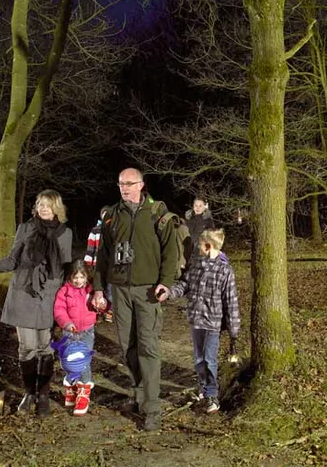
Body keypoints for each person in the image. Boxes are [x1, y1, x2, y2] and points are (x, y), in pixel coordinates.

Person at [0, 189, 73, 417]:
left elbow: (65, 271)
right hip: (23, 293)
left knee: (45, 347)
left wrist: (69, 301)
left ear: (56, 208)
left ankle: (43, 394)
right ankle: (29, 393)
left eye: (48, 204)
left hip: (48, 295)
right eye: (39, 204)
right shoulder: (25, 229)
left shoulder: (65, 233)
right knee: (27, 348)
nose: (43, 208)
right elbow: (12, 260)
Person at [90, 168, 179, 432]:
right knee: (128, 346)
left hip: (148, 290)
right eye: (120, 184)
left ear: (141, 184)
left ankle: (152, 407)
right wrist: (97, 288)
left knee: (148, 347)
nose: (124, 188)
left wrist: (165, 283)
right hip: (119, 291)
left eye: (129, 184)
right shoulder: (112, 217)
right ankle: (140, 393)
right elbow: (102, 257)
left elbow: (170, 252)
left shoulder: (157, 214)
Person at [164, 228, 240, 414]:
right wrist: (169, 292)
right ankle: (203, 387)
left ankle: (212, 393)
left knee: (209, 359)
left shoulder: (225, 270)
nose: (197, 247)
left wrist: (233, 329)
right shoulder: (196, 265)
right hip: (196, 320)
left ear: (208, 246)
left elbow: (231, 300)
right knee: (199, 358)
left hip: (212, 323)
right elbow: (185, 284)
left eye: (199, 244)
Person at [53, 260, 100, 416]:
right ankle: (72, 387)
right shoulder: (64, 292)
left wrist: (102, 305)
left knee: (83, 361)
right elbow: (59, 310)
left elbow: (101, 304)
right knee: (70, 361)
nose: (79, 281)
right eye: (76, 277)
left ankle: (84, 390)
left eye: (82, 277)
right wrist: (66, 323)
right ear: (70, 277)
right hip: (70, 332)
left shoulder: (90, 290)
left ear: (87, 277)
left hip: (86, 330)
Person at [85, 205, 114, 323]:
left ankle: (109, 311)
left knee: (110, 288)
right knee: (97, 288)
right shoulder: (95, 230)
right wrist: (88, 264)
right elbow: (90, 247)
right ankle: (96, 311)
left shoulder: (113, 229)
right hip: (97, 265)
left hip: (110, 265)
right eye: (104, 214)